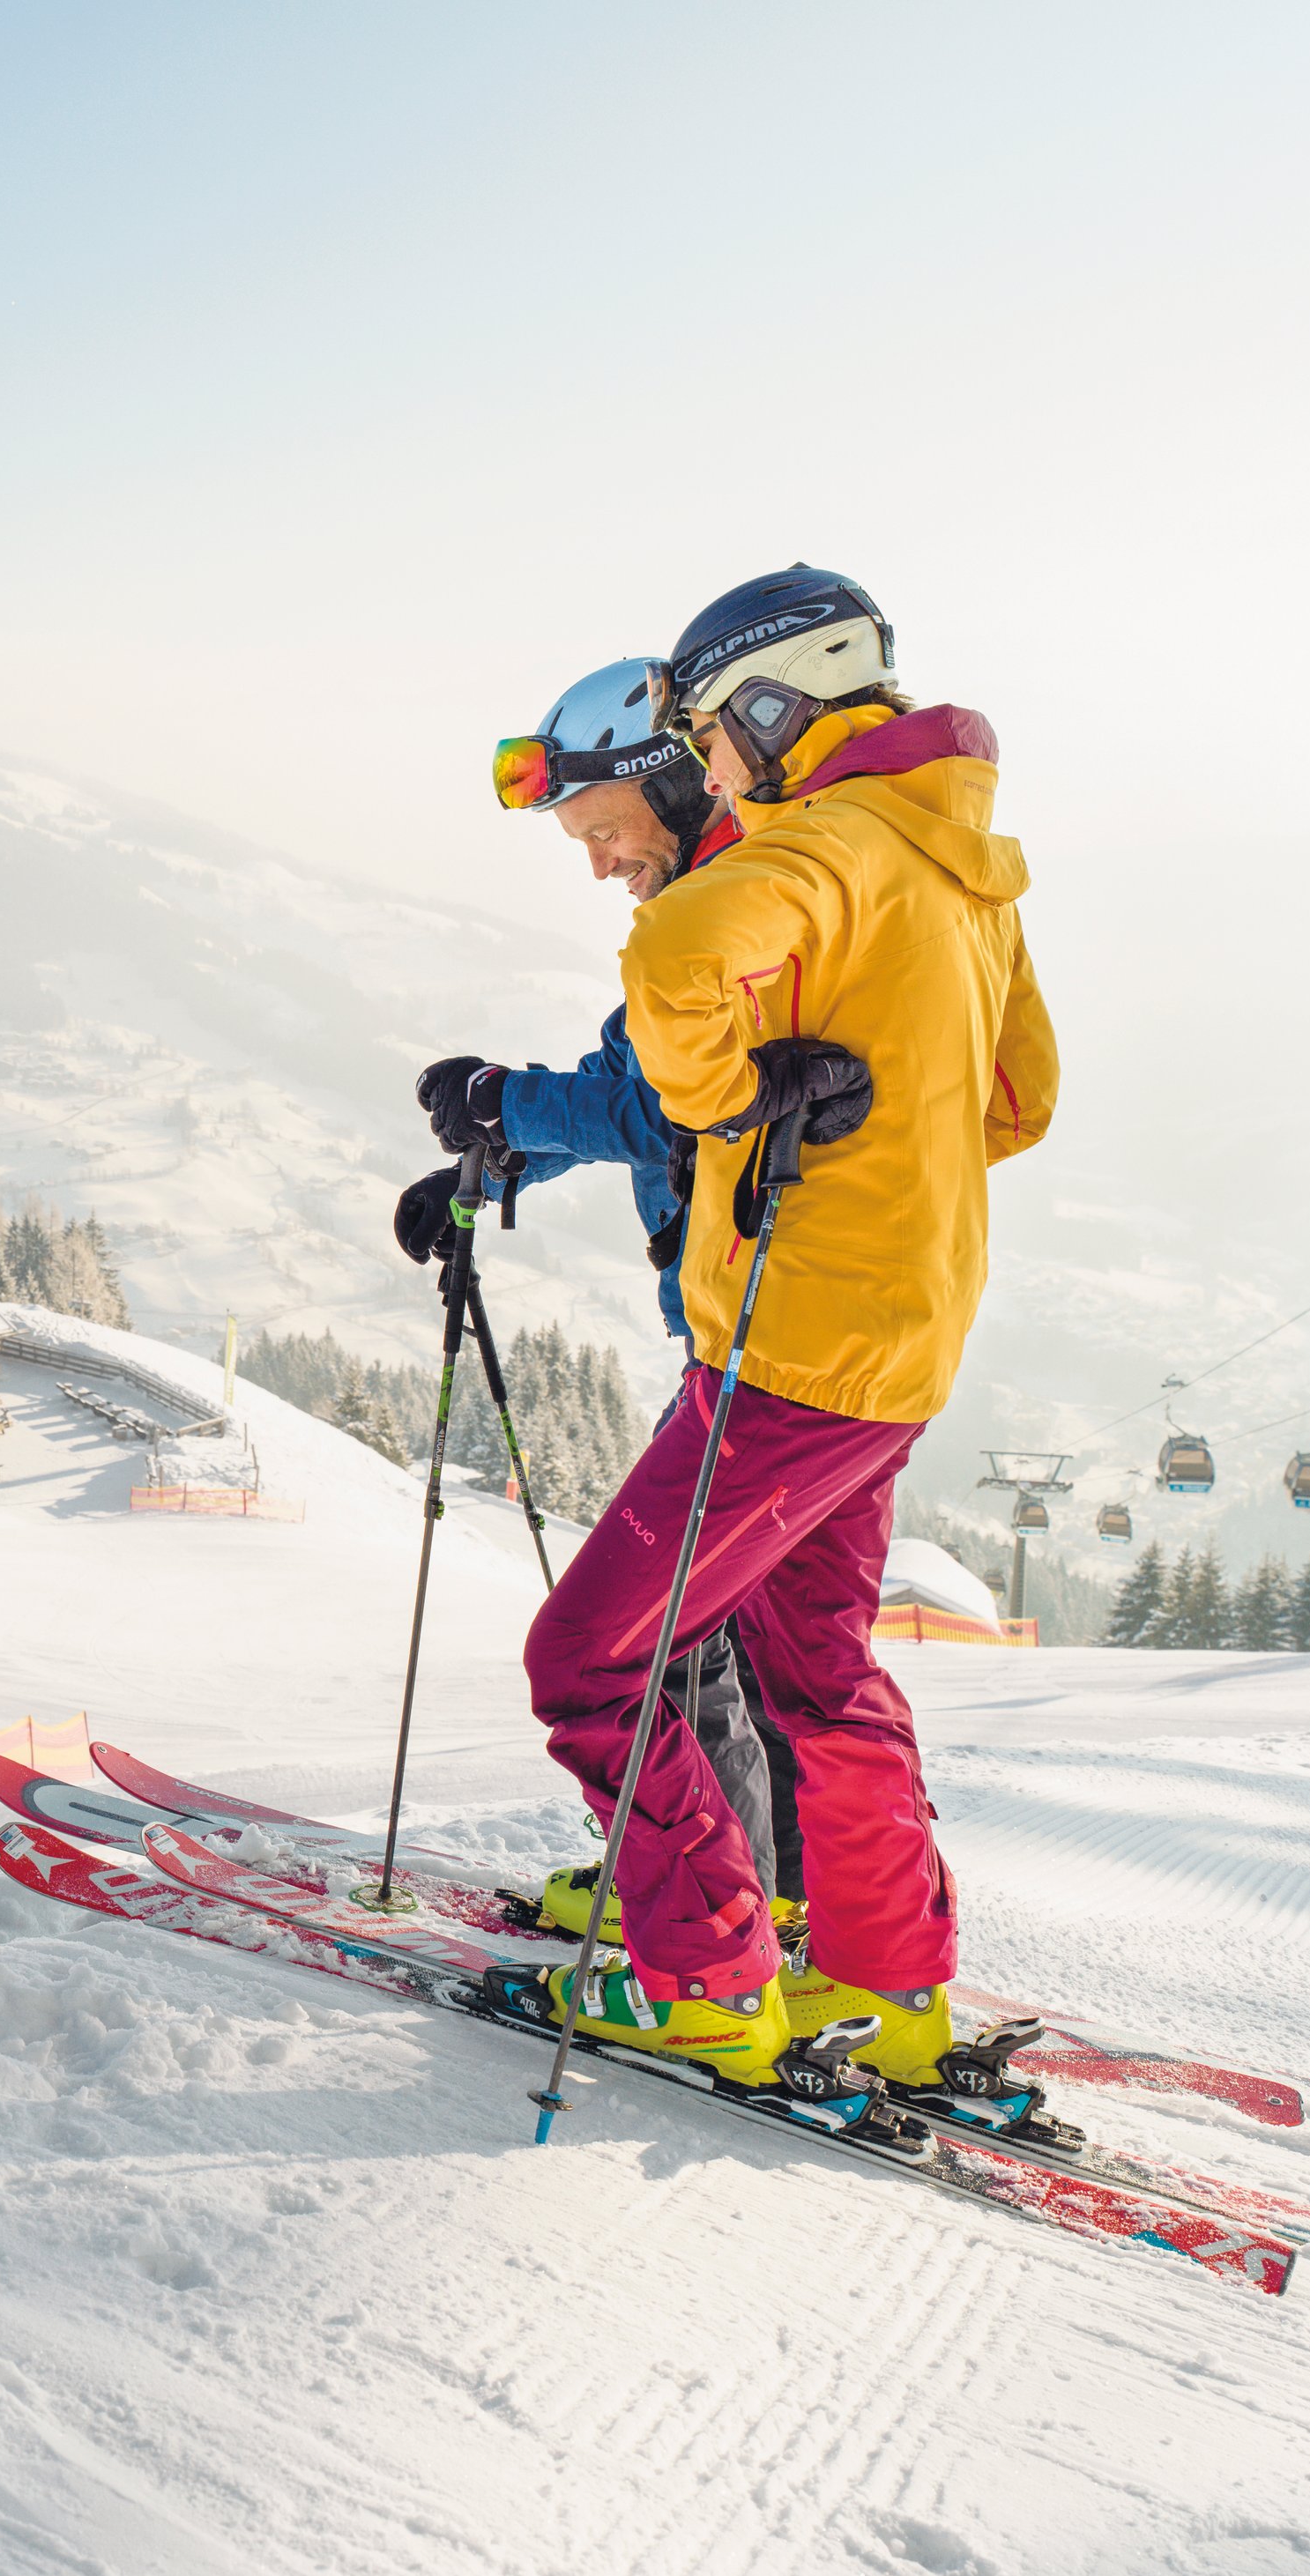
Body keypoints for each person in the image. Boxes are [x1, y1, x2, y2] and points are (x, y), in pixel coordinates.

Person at [514, 567, 1057, 2098]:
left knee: (589, 1659)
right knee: (817, 1665)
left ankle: (708, 1980)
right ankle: (890, 1982)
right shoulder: (961, 861)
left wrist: (736, 1094)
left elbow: (676, 959)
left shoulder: (825, 843)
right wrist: (873, 1136)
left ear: (771, 703)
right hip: (903, 1346)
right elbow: (1018, 1096)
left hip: (790, 1354)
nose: (715, 767)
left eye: (710, 732)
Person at [392, 658, 803, 1920]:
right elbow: (631, 1085)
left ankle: (704, 1907)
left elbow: (666, 1109)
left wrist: (504, 1103)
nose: (596, 865)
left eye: (603, 831)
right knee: (749, 1634)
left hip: (766, 1339)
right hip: (765, 1331)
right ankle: (776, 1900)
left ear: (674, 783)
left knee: (651, 1632)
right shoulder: (722, 897)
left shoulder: (736, 912)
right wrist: (502, 1152)